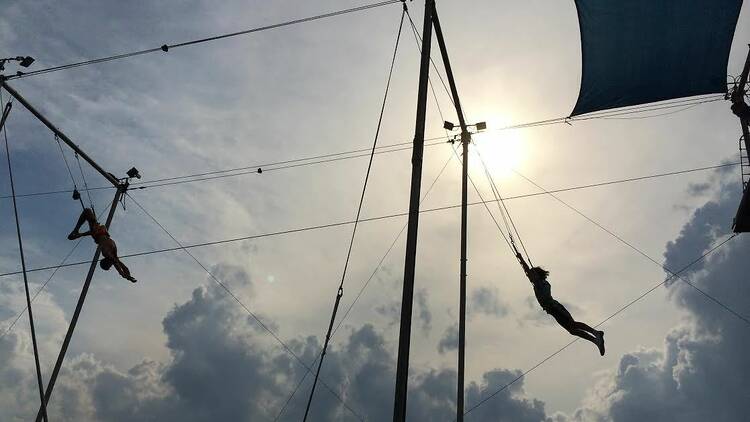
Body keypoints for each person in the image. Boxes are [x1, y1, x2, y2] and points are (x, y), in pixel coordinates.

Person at [516, 252, 604, 355]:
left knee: (573, 325)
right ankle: (595, 340)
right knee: (572, 330)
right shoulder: (540, 283)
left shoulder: (539, 283)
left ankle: (596, 334)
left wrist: (521, 259)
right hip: (553, 310)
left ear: (536, 275)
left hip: (555, 308)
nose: (529, 277)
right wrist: (522, 262)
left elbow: (528, 272)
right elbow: (528, 273)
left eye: (531, 275)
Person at [67, 208, 136, 283]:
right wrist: (128, 277)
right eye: (111, 266)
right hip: (98, 232)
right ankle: (77, 232)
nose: (111, 265)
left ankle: (76, 231)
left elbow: (121, 271)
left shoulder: (107, 253)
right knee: (87, 212)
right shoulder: (113, 257)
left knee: (87, 211)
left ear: (107, 262)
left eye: (110, 266)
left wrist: (81, 234)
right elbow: (123, 270)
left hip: (96, 232)